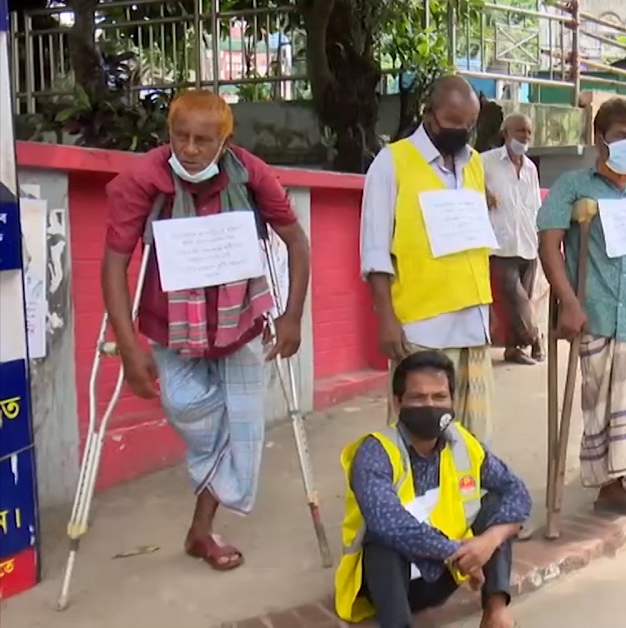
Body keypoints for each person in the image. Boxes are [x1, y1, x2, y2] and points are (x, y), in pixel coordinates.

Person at [101, 89, 311, 571]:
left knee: (241, 424)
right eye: (181, 137)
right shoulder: (145, 179)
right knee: (191, 408)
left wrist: (293, 313)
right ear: (168, 134)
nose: (190, 149)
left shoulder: (251, 173)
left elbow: (296, 242)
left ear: (225, 141)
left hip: (240, 323)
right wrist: (129, 342)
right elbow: (114, 264)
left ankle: (201, 531)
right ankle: (225, 468)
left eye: (203, 140)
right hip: (170, 325)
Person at [537, 97, 626, 519]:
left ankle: (619, 487)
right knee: (599, 406)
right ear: (600, 140)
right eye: (621, 137)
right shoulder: (574, 187)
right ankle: (610, 487)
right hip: (595, 311)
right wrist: (569, 303)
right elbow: (549, 245)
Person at [334, 350, 529, 628]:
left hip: (443, 575)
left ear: (453, 401)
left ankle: (496, 612)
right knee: (382, 542)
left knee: (498, 507)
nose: (430, 405)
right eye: (418, 397)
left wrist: (489, 541)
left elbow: (517, 492)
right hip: (389, 585)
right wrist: (459, 553)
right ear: (397, 402)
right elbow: (389, 524)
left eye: (439, 397)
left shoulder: (462, 442)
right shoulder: (375, 452)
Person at [361, 75, 493, 440]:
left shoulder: (474, 164)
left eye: (468, 125)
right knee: (421, 435)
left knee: (473, 438)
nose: (461, 132)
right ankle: (414, 498)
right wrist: (385, 317)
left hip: (473, 324)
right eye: (453, 123)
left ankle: (467, 499)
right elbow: (374, 250)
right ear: (428, 114)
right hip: (421, 327)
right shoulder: (391, 164)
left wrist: (487, 313)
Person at [483, 113, 544, 365]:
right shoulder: (485, 161)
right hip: (499, 243)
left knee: (520, 301)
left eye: (528, 132)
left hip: (528, 243)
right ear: (506, 133)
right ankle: (535, 336)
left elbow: (536, 206)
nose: (525, 137)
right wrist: (483, 192)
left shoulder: (530, 168)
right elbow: (463, 183)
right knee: (515, 297)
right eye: (520, 131)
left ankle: (513, 348)